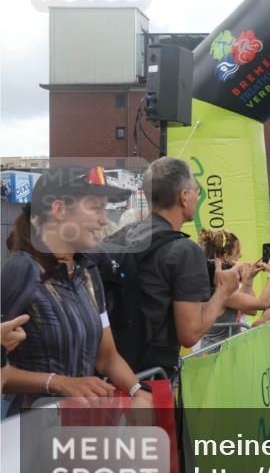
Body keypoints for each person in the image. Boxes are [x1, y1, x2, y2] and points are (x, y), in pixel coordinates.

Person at [1, 166, 154, 408]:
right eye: (95, 208)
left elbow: (107, 356)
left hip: (79, 429)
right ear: (59, 209)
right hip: (29, 430)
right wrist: (58, 382)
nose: (104, 219)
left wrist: (137, 390)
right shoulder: (21, 270)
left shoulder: (89, 273)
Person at [109, 157, 240, 376]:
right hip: (153, 379)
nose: (198, 197)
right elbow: (190, 333)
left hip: (114, 376)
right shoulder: (184, 251)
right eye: (196, 191)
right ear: (184, 196)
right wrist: (223, 292)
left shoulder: (120, 237)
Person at [197, 229, 270, 347]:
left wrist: (248, 280)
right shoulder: (219, 288)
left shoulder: (219, 284)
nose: (241, 255)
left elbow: (250, 310)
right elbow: (262, 303)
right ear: (226, 256)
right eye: (238, 252)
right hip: (215, 358)